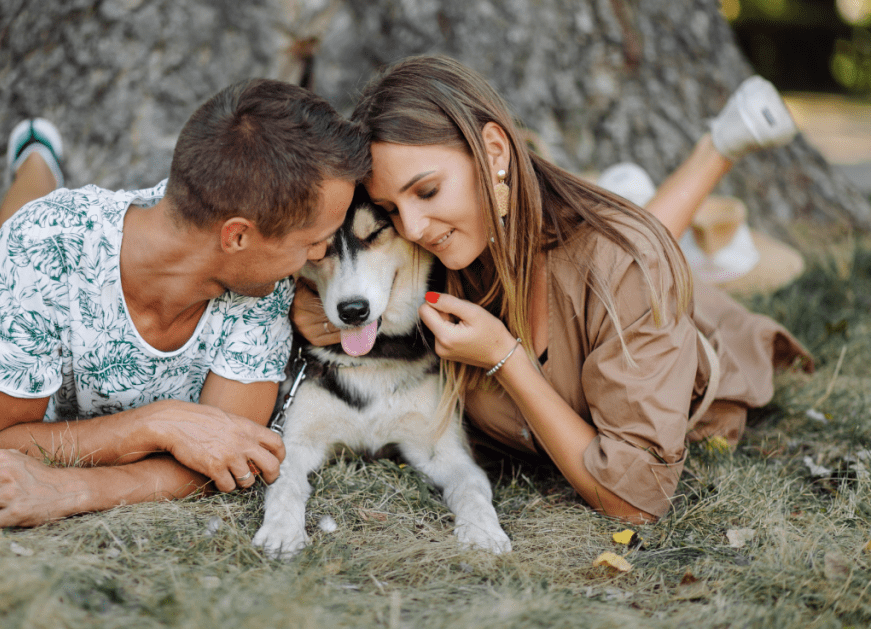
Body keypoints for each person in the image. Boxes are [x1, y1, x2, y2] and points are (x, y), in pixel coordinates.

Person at [293, 56, 813, 523]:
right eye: (391, 210)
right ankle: (628, 193)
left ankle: (717, 148)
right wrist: (309, 307)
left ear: (493, 151)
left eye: (427, 191)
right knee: (626, 244)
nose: (414, 226)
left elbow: (635, 500)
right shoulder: (437, 253)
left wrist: (506, 359)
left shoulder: (624, 267)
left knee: (633, 250)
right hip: (566, 241)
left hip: (688, 330)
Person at [0, 79, 365, 528]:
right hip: (48, 233)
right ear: (238, 236)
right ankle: (36, 159)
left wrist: (72, 489)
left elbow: (224, 457)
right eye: (315, 241)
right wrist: (158, 423)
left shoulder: (261, 286)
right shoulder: (40, 247)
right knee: (19, 222)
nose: (320, 256)